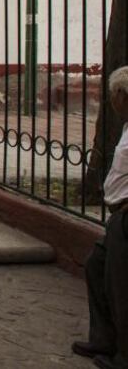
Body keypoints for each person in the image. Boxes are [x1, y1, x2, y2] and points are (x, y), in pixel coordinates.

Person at [72, 65, 128, 369]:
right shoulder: (126, 126)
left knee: (121, 285)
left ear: (120, 95)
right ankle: (103, 338)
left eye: (113, 96)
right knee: (97, 266)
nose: (112, 102)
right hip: (117, 216)